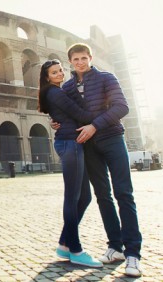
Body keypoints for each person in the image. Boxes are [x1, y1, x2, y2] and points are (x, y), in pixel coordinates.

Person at [61, 43, 142, 277]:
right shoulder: (67, 88)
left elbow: (121, 107)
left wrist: (95, 125)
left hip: (112, 139)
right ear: (70, 62)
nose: (80, 62)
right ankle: (115, 246)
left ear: (90, 57)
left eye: (83, 58)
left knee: (124, 194)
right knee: (102, 196)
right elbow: (66, 115)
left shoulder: (106, 78)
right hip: (88, 146)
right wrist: (58, 123)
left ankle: (133, 254)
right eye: (75, 59)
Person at [38, 59, 102, 268]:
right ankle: (75, 250)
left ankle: (64, 243)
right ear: (47, 77)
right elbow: (80, 114)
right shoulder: (55, 92)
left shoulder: (54, 92)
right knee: (73, 197)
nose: (59, 74)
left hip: (71, 143)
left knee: (84, 196)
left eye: (60, 71)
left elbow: (67, 115)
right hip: (69, 144)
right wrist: (105, 114)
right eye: (54, 72)